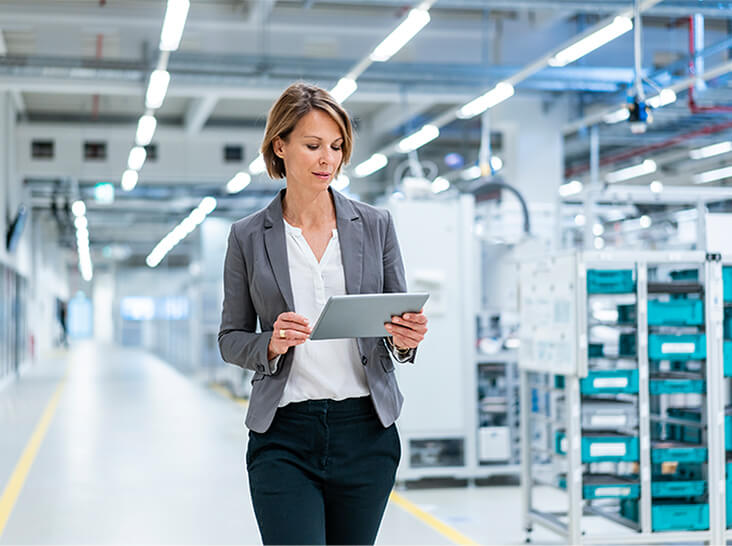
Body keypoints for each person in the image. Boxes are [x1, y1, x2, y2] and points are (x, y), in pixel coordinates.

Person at [218, 81, 428, 545]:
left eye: (336, 147)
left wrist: (406, 338)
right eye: (312, 146)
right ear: (281, 146)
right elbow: (230, 337)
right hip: (284, 436)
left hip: (365, 432)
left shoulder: (375, 225)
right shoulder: (248, 237)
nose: (326, 159)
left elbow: (394, 323)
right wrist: (269, 343)